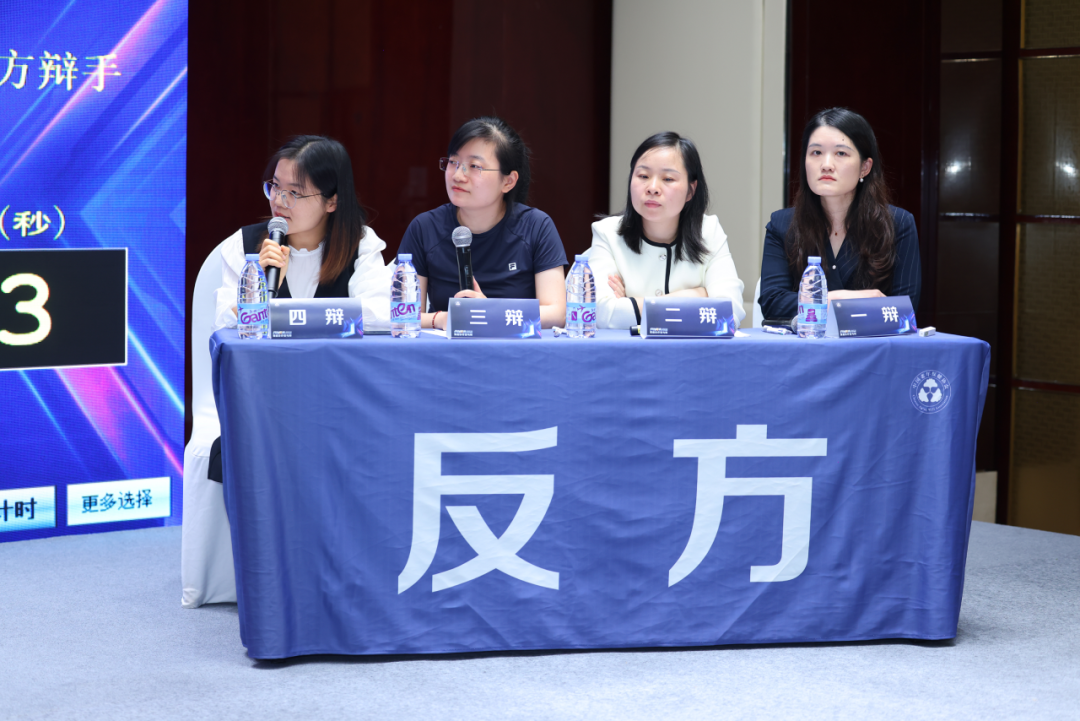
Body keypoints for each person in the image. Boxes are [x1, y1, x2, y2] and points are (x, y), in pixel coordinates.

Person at [397, 116, 567, 330]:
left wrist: (490, 312)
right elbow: (402, 314)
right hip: (448, 347)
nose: (458, 175)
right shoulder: (424, 228)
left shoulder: (536, 227)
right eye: (453, 162)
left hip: (514, 348)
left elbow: (557, 313)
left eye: (474, 166)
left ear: (508, 181)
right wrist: (439, 319)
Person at [212, 135, 390, 332]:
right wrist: (256, 292)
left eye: (294, 193)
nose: (278, 201)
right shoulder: (243, 243)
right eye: (276, 186)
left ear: (332, 202)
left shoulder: (359, 243)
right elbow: (223, 323)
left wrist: (297, 318)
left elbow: (380, 314)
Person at [759, 108, 921, 320]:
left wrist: (814, 302)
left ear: (865, 167)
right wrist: (840, 298)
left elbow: (904, 310)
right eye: (816, 153)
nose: (826, 165)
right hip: (807, 341)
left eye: (841, 153)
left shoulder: (898, 223)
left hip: (872, 342)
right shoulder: (782, 224)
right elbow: (772, 303)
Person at [588, 131, 745, 329]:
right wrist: (697, 295)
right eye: (643, 176)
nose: (653, 188)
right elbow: (599, 314)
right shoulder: (608, 233)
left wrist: (632, 304)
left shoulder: (708, 232)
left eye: (668, 179)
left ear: (690, 190)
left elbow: (729, 313)